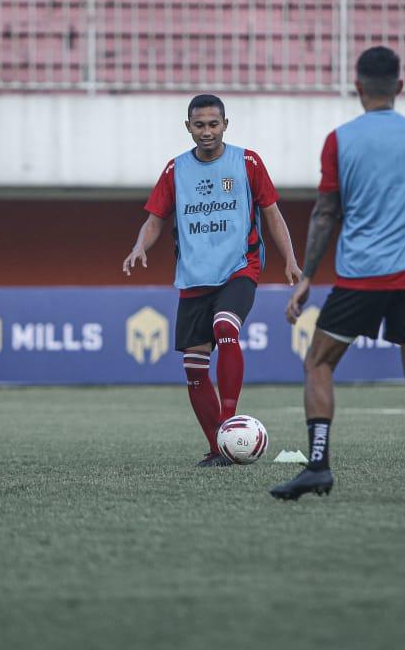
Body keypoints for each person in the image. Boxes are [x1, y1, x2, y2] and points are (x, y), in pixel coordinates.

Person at [271, 46, 405, 503]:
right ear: (400, 87)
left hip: (361, 275)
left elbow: (327, 212)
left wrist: (307, 275)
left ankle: (318, 467)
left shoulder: (340, 139)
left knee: (318, 362)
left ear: (358, 87)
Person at [123, 94, 301, 466]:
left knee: (225, 327)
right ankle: (219, 446)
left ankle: (230, 420)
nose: (207, 131)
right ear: (188, 127)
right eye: (199, 125)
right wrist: (140, 245)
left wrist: (290, 261)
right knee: (194, 365)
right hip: (193, 277)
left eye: (213, 124)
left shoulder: (247, 162)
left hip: (239, 268)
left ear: (225, 125)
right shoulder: (175, 170)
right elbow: (155, 218)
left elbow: (272, 214)